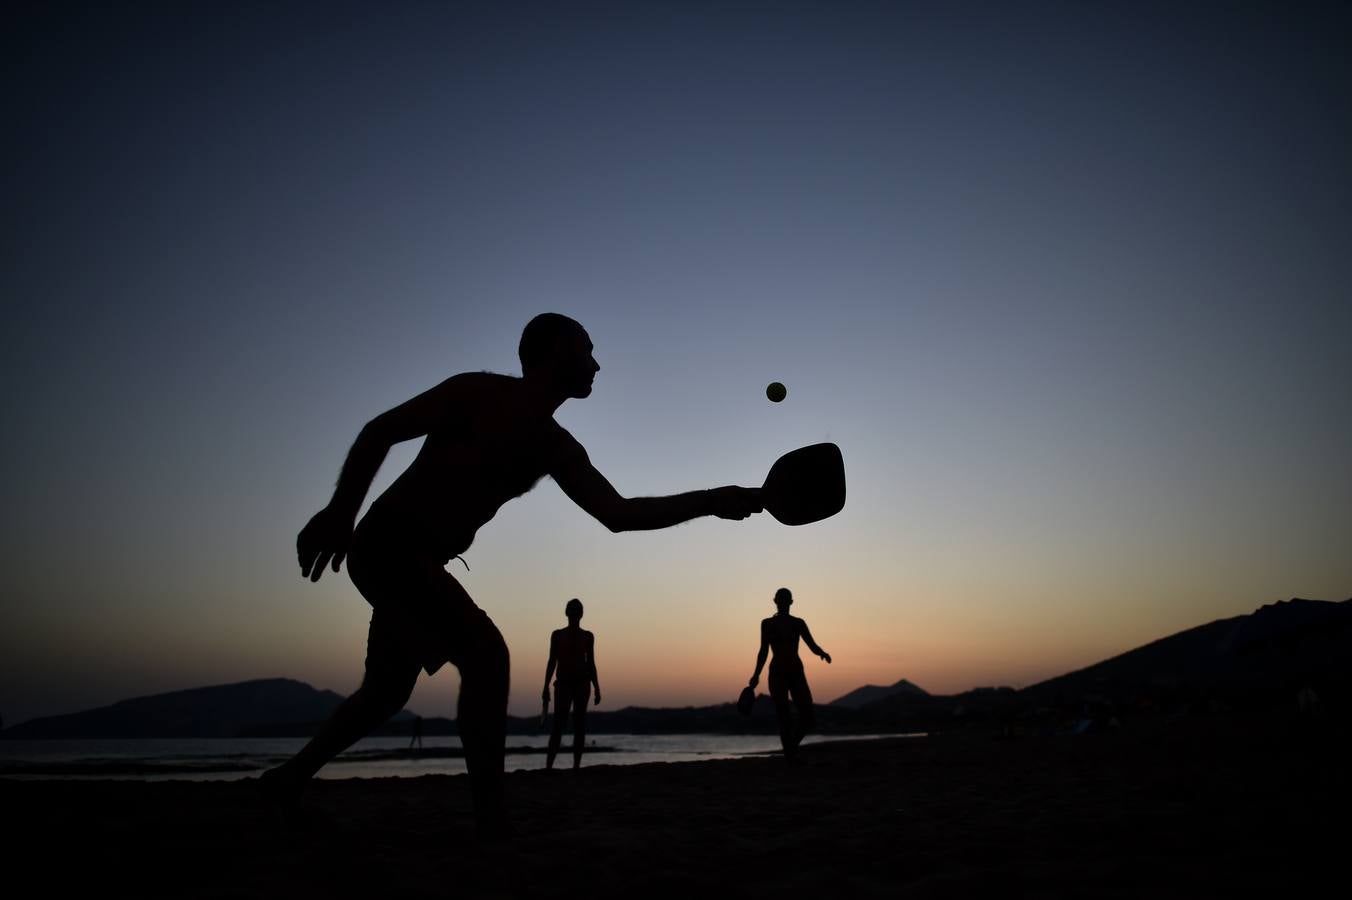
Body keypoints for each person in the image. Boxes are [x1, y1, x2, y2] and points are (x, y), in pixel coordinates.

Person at [263, 313, 763, 835]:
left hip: (419, 563)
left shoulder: (557, 446)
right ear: (551, 353)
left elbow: (619, 514)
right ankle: (491, 818)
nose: (596, 363)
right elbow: (380, 432)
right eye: (586, 350)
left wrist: (714, 501)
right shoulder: (476, 393)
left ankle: (289, 778)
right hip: (389, 546)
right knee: (485, 654)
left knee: (387, 692)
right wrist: (341, 514)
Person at [747, 588, 831, 760]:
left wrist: (822, 653)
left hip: (795, 671)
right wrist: (756, 675)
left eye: (786, 599)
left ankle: (790, 749)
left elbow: (812, 644)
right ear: (775, 601)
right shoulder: (767, 624)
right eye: (781, 598)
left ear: (791, 602)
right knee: (784, 715)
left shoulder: (798, 623)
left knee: (807, 716)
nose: (784, 602)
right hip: (777, 672)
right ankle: (790, 755)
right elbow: (763, 651)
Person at [542, 598, 600, 770]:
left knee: (579, 724)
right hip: (563, 684)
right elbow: (552, 661)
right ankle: (549, 767)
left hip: (582, 683)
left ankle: (576, 766)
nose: (575, 614)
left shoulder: (588, 636)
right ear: (567, 613)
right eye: (572, 610)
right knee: (559, 724)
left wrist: (597, 687)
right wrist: (545, 686)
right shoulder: (557, 635)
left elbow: (591, 663)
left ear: (581, 614)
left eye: (577, 611)